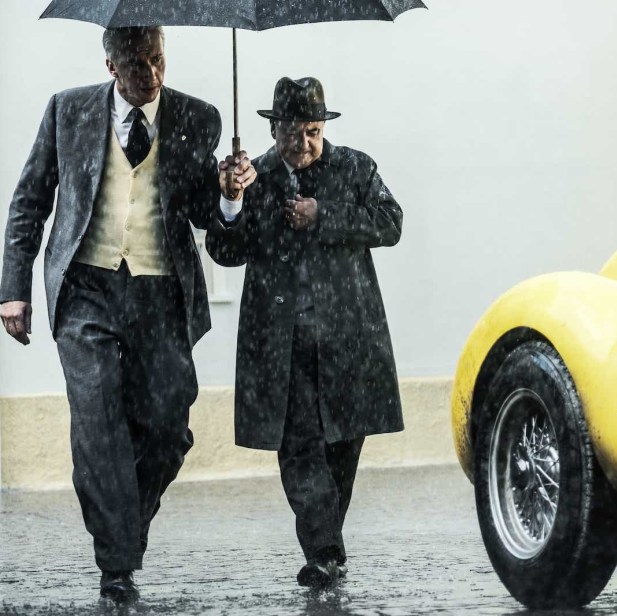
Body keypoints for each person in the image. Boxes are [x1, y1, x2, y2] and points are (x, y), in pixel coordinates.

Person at [0, 26, 255, 605]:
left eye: (159, 60)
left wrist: (230, 193)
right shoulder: (68, 111)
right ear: (111, 65)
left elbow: (203, 217)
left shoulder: (198, 118)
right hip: (86, 287)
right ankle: (117, 561)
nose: (153, 75)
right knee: (98, 419)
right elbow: (29, 202)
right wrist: (13, 289)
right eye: (138, 64)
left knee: (169, 427)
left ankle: (123, 527)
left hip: (160, 294)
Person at [207, 76, 404, 589]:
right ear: (274, 130)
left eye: (313, 132)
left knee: (343, 445)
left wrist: (325, 215)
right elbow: (224, 251)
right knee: (297, 449)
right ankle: (323, 551)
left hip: (347, 339)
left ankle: (325, 547)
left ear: (324, 126)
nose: (304, 144)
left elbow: (391, 223)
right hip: (279, 343)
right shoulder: (255, 177)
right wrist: (230, 201)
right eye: (292, 134)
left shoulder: (356, 169)